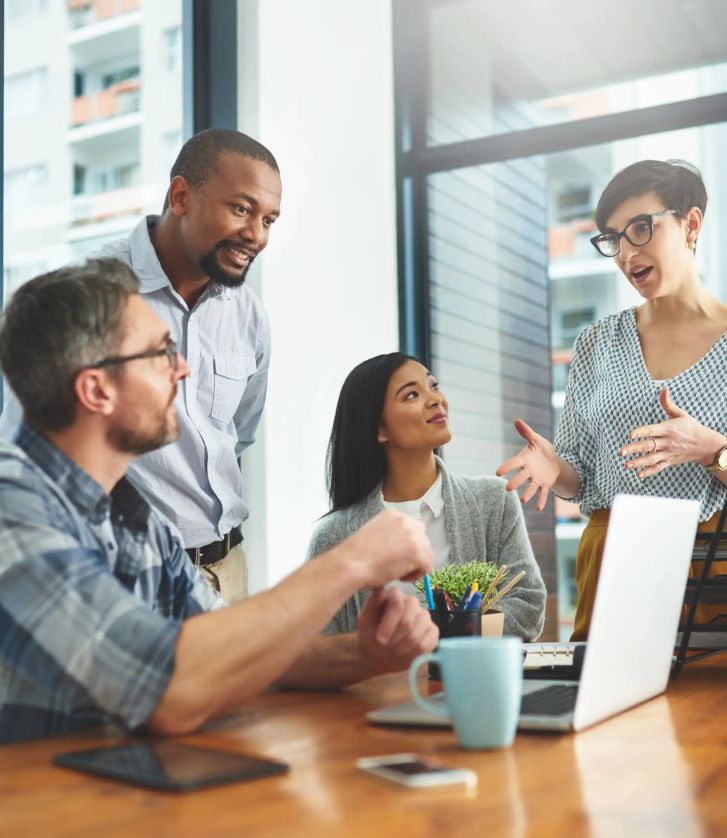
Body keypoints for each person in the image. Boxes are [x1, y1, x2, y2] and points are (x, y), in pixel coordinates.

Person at [0, 260, 438, 744]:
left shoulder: (134, 514)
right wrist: (349, 562)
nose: (183, 369)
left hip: (121, 799)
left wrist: (365, 655)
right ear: (96, 389)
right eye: (162, 353)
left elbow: (236, 648)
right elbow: (165, 686)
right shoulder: (11, 506)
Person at [0, 128, 282, 601]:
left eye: (269, 219)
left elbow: (238, 436)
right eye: (241, 209)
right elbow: (23, 442)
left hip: (229, 567)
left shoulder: (248, 314)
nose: (256, 235)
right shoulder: (91, 292)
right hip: (125, 575)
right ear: (180, 196)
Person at [496, 159, 727, 640]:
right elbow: (578, 474)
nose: (626, 253)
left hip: (709, 566)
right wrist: (553, 468)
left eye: (641, 228)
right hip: (612, 559)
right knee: (602, 709)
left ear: (691, 224)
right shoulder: (595, 343)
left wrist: (710, 449)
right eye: (613, 239)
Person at [307, 352, 546, 639]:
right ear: (380, 429)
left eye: (433, 386)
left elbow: (528, 606)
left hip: (472, 682)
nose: (435, 399)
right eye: (411, 395)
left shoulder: (493, 501)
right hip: (379, 685)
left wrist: (441, 637)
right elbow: (320, 643)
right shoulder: (333, 536)